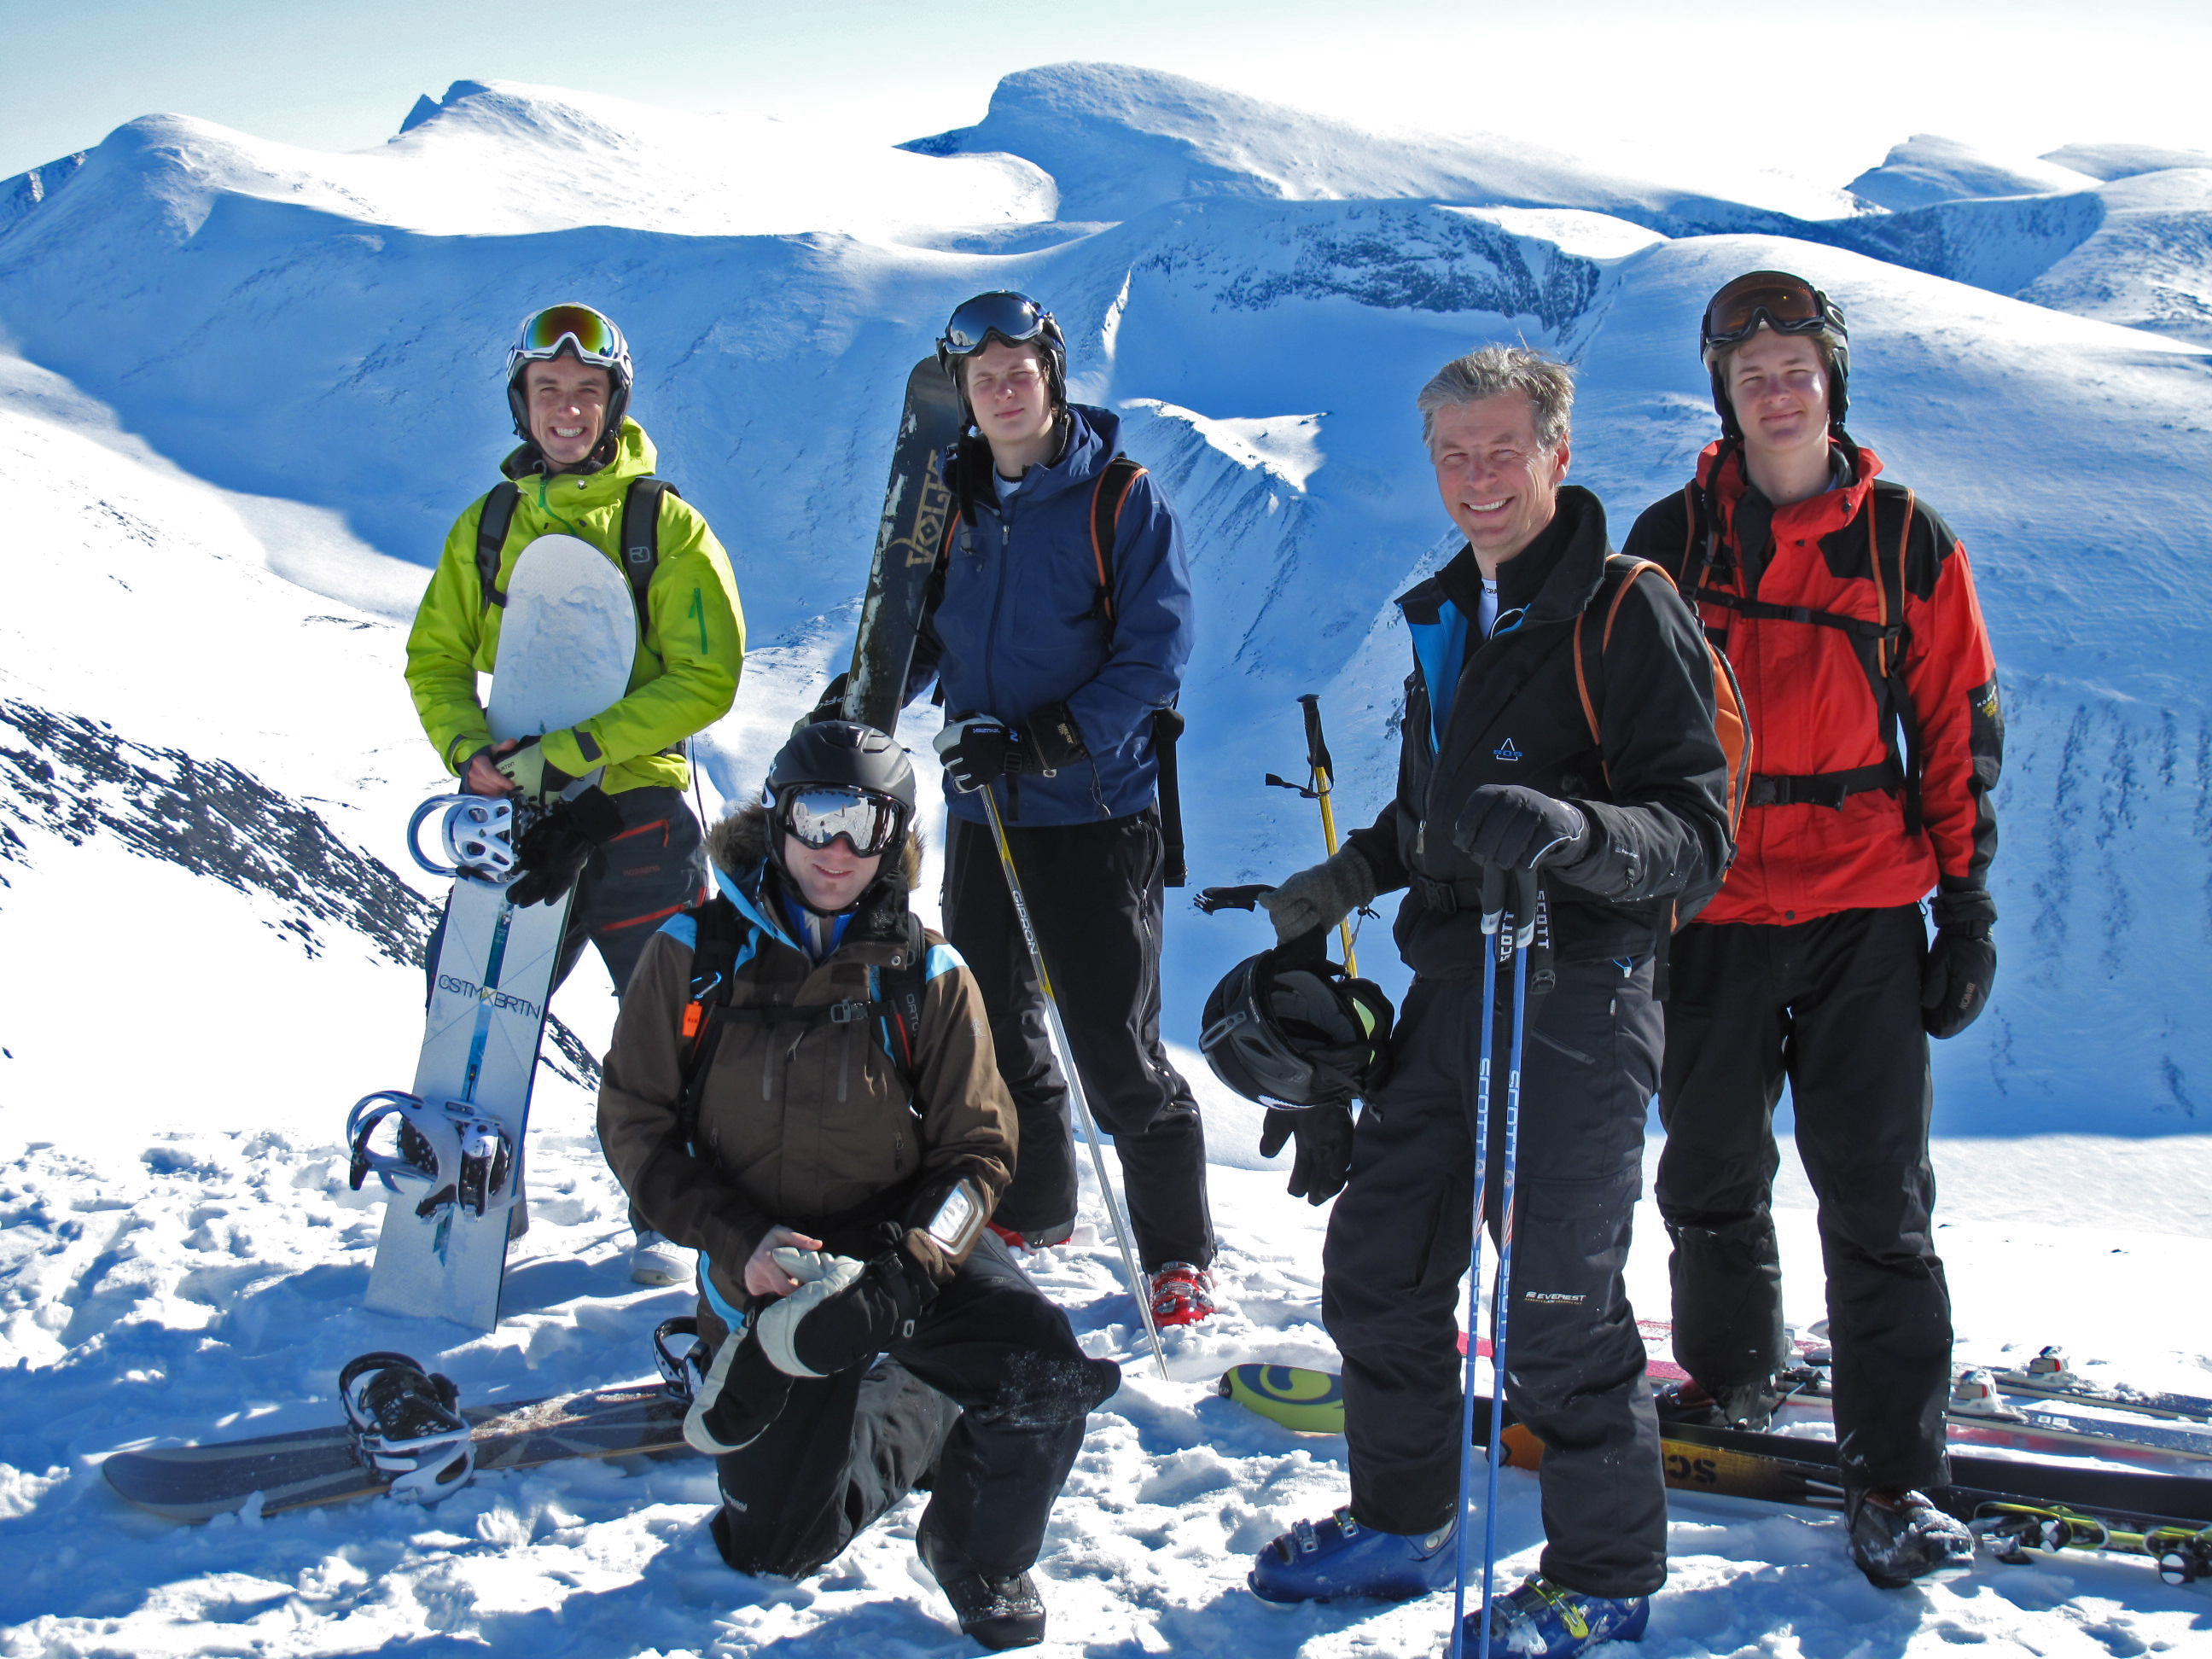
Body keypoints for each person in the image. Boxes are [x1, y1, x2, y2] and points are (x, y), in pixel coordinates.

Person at [1245, 346, 1734, 1658]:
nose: (1476, 479)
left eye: (1500, 452)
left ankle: (1605, 1577)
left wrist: (1574, 829)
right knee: (1380, 1267)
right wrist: (1334, 883)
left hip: (1579, 992)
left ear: (1557, 455)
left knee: (1556, 1310)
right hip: (1459, 983)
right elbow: (1437, 822)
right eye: (1453, 456)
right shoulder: (1458, 610)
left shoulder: (1627, 609)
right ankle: (1404, 1520)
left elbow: (1696, 833)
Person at [1621, 271, 2003, 1587]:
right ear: (1722, 394)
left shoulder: (1906, 543)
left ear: (1833, 381)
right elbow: (1623, 735)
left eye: (1799, 365)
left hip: (1863, 914)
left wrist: (1965, 907)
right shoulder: (1670, 540)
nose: (1778, 390)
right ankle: (1730, 1383)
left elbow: (1954, 731)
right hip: (1711, 911)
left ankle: (1897, 1476)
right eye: (1753, 371)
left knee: (1878, 1200)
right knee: (1710, 1174)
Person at [595, 721, 1121, 1651]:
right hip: (768, 1260)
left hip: (902, 1243)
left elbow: (979, 1152)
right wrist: (737, 1242)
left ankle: (975, 1552)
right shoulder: (695, 954)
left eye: (866, 826)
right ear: (777, 818)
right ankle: (919, 1401)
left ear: (894, 839)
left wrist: (909, 1273)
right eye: (818, 817)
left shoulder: (926, 971)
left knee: (1043, 1370)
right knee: (774, 1545)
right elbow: (634, 1126)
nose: (837, 850)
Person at [822, 291, 1213, 1326]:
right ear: (963, 392)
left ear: (1052, 375)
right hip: (986, 806)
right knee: (993, 1024)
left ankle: (1177, 1251)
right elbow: (936, 636)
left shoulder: (1118, 501)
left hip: (1095, 808)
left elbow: (1156, 658)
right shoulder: (951, 504)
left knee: (1112, 1041)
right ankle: (1038, 1206)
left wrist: (1047, 739)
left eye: (1020, 368)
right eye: (982, 375)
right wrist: (864, 700)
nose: (1002, 388)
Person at [404, 301, 746, 1287]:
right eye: (547, 391)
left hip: (638, 814)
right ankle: (479, 1199)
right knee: (469, 1010)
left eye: (585, 392)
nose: (566, 409)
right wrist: (470, 750)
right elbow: (434, 657)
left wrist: (579, 749)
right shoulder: (492, 525)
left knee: (679, 1019)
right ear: (523, 402)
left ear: (613, 402)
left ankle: (677, 1208)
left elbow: (708, 674)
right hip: (516, 816)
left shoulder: (663, 525)